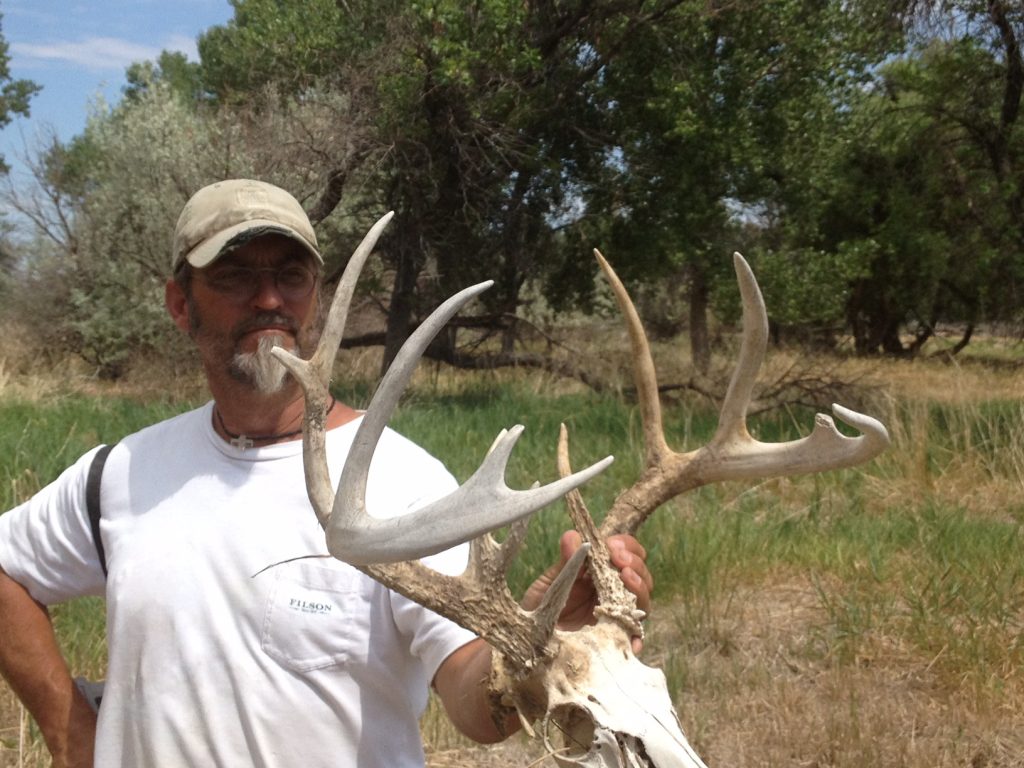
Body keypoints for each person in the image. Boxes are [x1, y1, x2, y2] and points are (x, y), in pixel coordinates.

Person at [0, 179, 652, 768]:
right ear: (179, 303)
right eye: (233, 276)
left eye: (292, 276)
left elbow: (472, 702)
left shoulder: (405, 484)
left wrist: (536, 634)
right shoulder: (122, 474)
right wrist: (72, 735)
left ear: (318, 298)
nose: (269, 298)